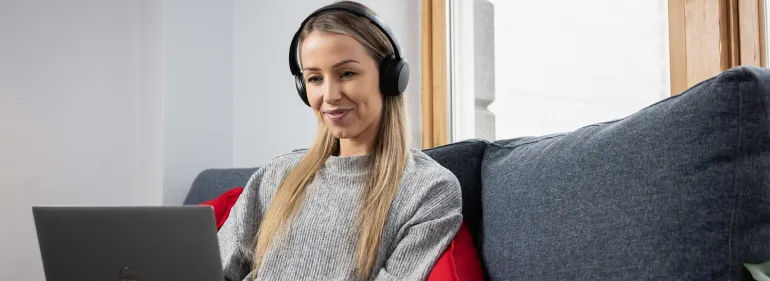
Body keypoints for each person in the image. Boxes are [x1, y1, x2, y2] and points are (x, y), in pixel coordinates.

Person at [217, 1, 463, 280]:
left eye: (346, 74)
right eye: (314, 78)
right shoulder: (276, 175)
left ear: (390, 77)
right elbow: (214, 269)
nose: (330, 95)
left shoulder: (429, 189)